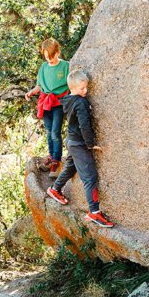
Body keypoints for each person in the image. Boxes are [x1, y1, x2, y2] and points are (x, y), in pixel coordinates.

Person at [45, 69, 114, 228]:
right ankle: (95, 212)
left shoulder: (69, 100)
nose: (86, 91)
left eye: (86, 87)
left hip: (71, 140)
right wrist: (90, 144)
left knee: (71, 166)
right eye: (82, 88)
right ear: (73, 88)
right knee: (90, 178)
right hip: (79, 144)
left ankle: (55, 189)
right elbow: (84, 125)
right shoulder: (81, 103)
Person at [25, 38, 69, 174]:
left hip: (58, 102)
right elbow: (39, 85)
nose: (50, 59)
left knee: (56, 132)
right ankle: (51, 156)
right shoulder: (43, 67)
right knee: (49, 132)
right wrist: (32, 92)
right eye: (46, 57)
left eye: (52, 56)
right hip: (46, 103)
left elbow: (71, 83)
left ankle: (57, 160)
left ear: (58, 52)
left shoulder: (65, 66)